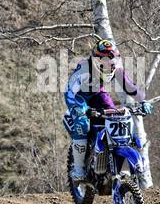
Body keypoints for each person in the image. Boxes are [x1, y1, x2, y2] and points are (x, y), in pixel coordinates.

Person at [63, 39, 152, 180]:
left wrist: (143, 101)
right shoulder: (84, 69)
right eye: (105, 59)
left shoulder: (116, 69)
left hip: (98, 94)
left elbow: (131, 87)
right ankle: (78, 169)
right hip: (79, 97)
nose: (109, 63)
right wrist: (76, 109)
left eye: (113, 59)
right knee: (82, 124)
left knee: (117, 118)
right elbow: (69, 91)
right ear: (97, 59)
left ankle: (115, 159)